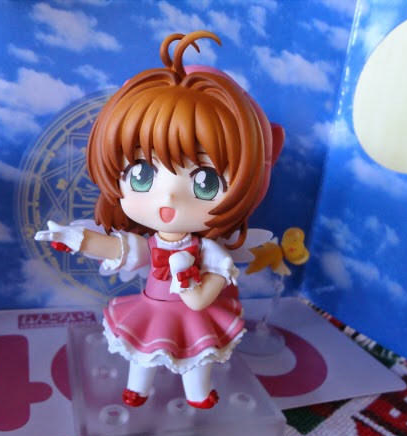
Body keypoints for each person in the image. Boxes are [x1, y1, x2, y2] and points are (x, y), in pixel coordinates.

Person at [35, 30, 283, 409]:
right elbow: (118, 248)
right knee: (143, 352)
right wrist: (77, 239)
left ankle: (198, 393)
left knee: (197, 357)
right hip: (151, 308)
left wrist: (188, 278)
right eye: (141, 174)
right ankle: (138, 389)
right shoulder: (150, 244)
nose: (168, 198)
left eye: (205, 181)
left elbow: (201, 299)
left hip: (192, 314)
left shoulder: (210, 253)